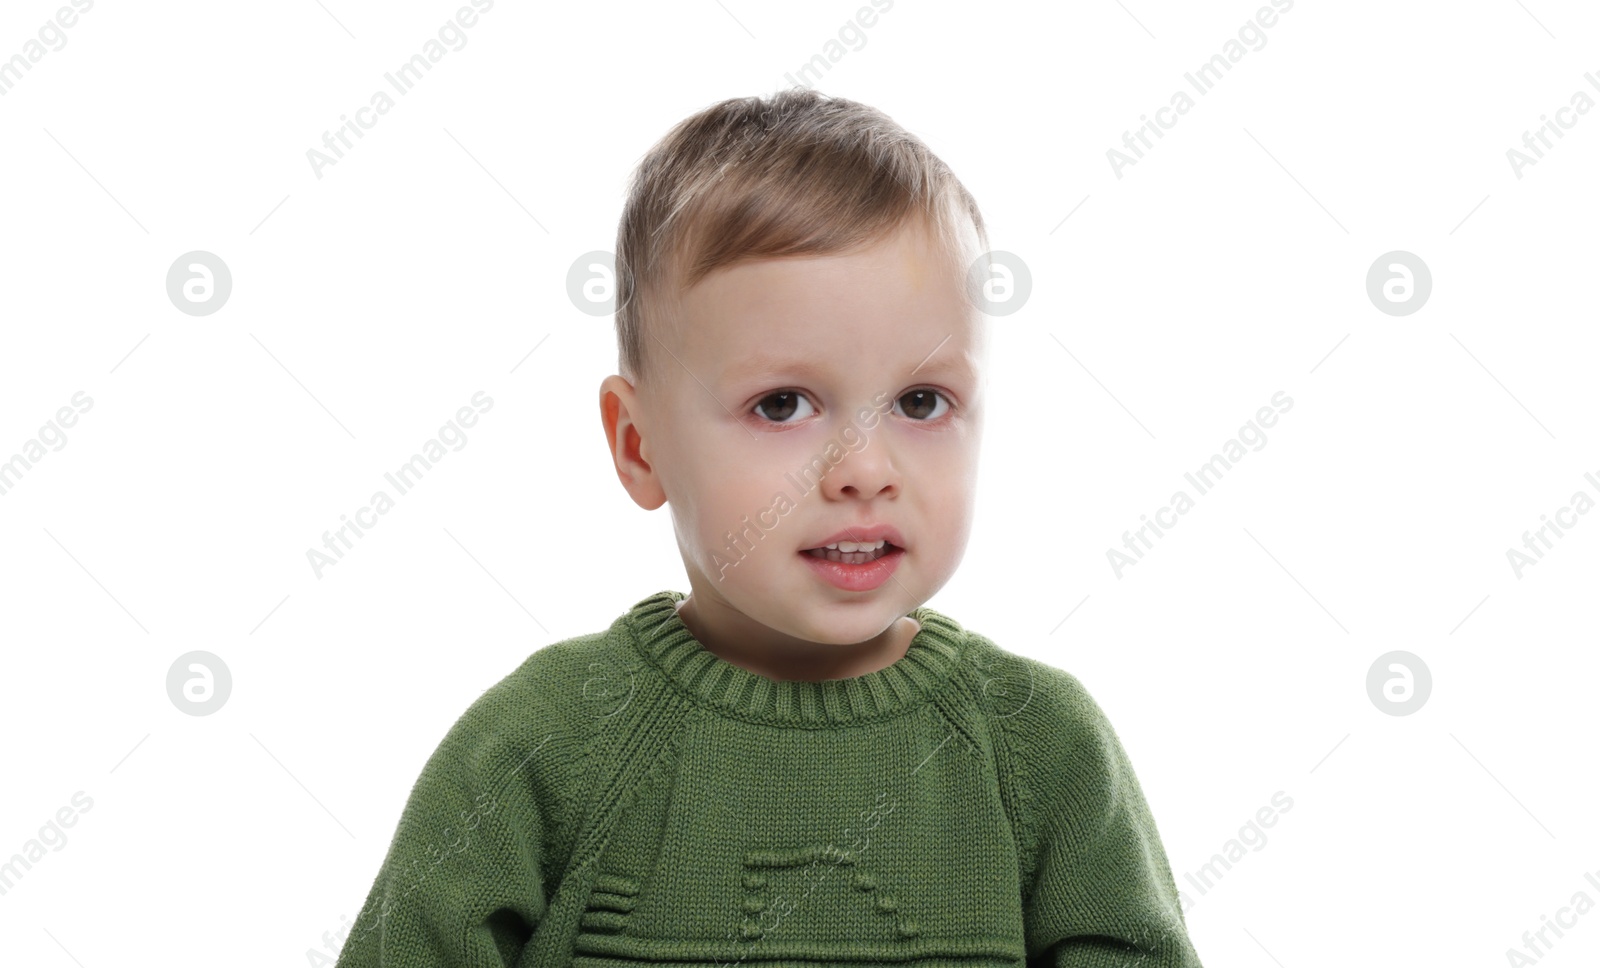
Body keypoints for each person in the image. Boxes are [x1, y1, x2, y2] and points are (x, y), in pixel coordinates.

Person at [333, 87, 1204, 967]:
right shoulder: (543, 747)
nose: (864, 470)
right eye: (783, 405)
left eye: (921, 401)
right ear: (640, 446)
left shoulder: (1042, 748)